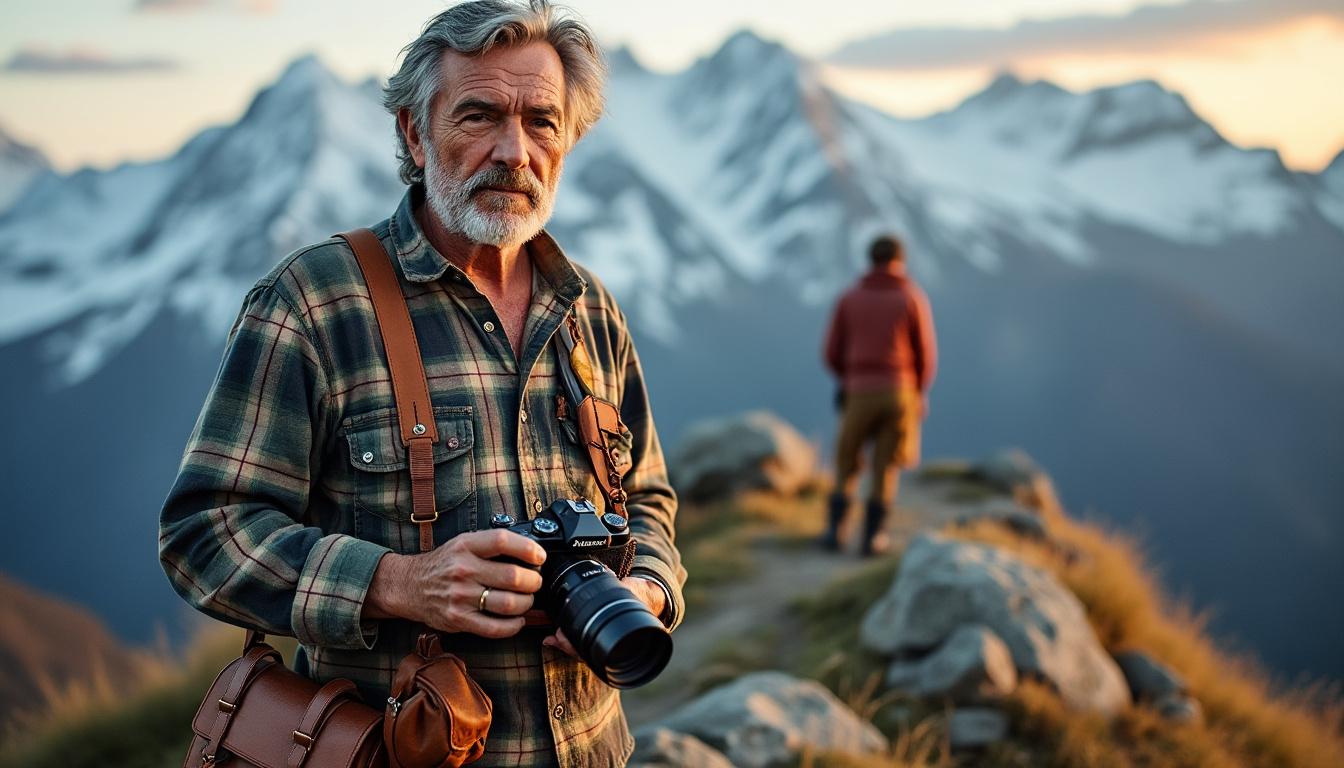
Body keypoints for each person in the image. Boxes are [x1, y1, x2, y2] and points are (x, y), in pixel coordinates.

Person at [158, 2, 684, 766]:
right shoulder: (315, 303)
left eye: (542, 120)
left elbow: (650, 502)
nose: (514, 151)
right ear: (413, 131)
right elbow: (202, 534)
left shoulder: (590, 310)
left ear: (570, 138)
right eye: (479, 115)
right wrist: (399, 583)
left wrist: (649, 593)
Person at [821, 234, 937, 556]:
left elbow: (831, 351)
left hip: (858, 390)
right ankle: (873, 538)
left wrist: (849, 376)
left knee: (846, 460)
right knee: (885, 466)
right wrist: (918, 392)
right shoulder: (912, 298)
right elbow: (925, 354)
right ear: (900, 261)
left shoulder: (849, 298)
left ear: (869, 260)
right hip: (899, 392)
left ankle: (835, 532)